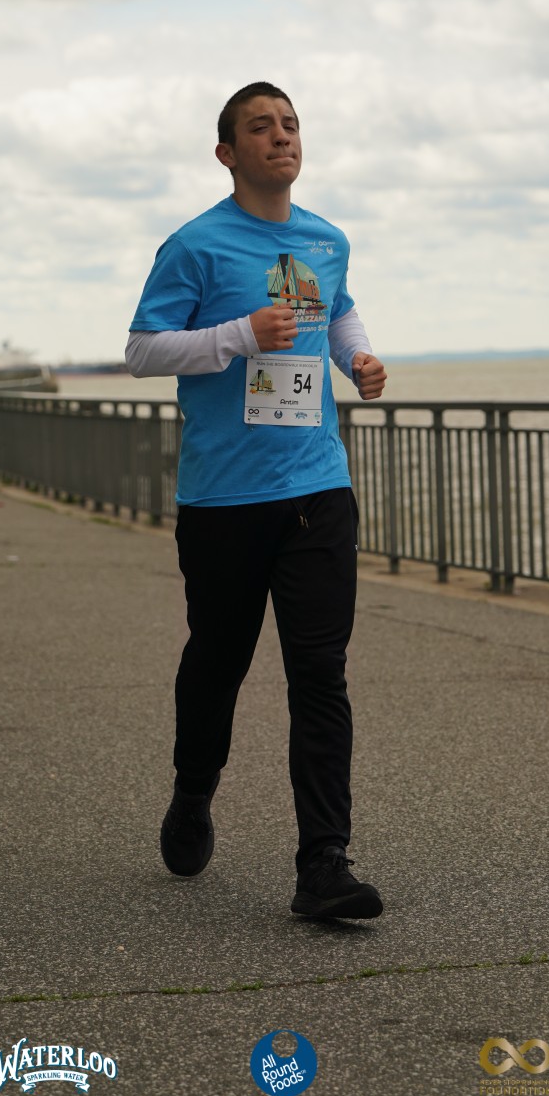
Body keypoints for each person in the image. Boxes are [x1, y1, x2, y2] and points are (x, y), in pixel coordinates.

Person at [126, 81, 388, 921]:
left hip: (317, 487)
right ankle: (192, 790)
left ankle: (324, 863)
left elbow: (337, 311)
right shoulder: (195, 246)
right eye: (261, 127)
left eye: (291, 124)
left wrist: (359, 359)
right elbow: (143, 350)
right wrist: (238, 335)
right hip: (225, 499)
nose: (282, 136)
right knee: (219, 663)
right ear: (227, 152)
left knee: (320, 672)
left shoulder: (326, 238)